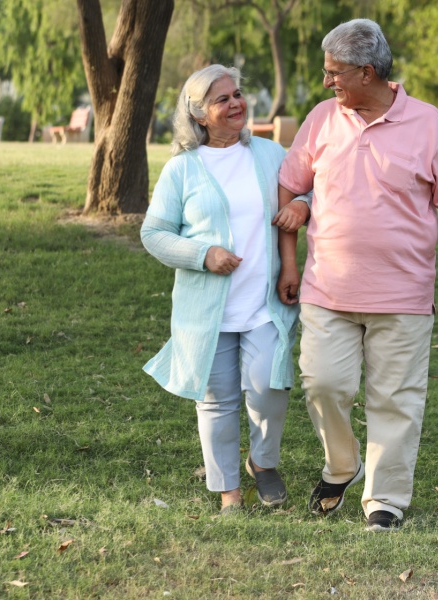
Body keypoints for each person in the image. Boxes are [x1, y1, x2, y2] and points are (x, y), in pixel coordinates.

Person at [273, 19, 438, 532]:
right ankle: (342, 465)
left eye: (335, 73)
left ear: (368, 72)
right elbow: (290, 187)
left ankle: (385, 499)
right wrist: (291, 259)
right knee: (323, 383)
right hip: (327, 289)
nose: (327, 83)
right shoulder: (321, 120)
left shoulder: (429, 124)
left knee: (396, 399)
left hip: (403, 294)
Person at [140, 64, 302, 514]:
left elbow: (308, 192)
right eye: (222, 100)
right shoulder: (182, 170)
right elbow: (154, 234)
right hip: (205, 313)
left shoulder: (271, 154)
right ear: (199, 115)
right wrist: (203, 254)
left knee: (269, 388)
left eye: (237, 95)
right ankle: (229, 490)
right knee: (216, 402)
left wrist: (303, 207)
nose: (236, 104)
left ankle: (262, 464)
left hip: (262, 304)